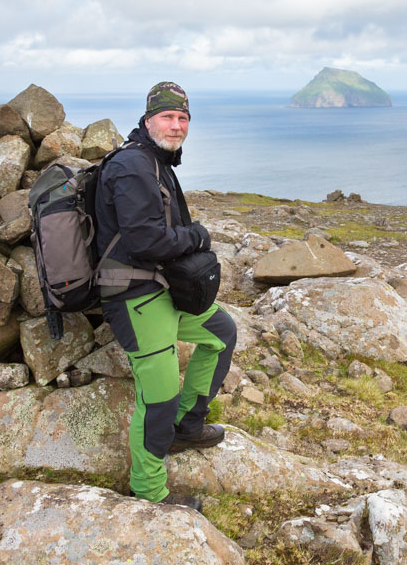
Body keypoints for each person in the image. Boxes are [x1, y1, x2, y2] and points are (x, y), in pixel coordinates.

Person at [93, 81, 236, 511]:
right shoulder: (133, 166)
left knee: (221, 332)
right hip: (133, 295)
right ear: (149, 119)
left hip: (159, 287)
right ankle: (149, 491)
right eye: (168, 117)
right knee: (158, 395)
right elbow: (145, 242)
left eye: (183, 118)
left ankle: (187, 426)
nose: (176, 126)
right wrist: (199, 235)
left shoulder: (154, 160)